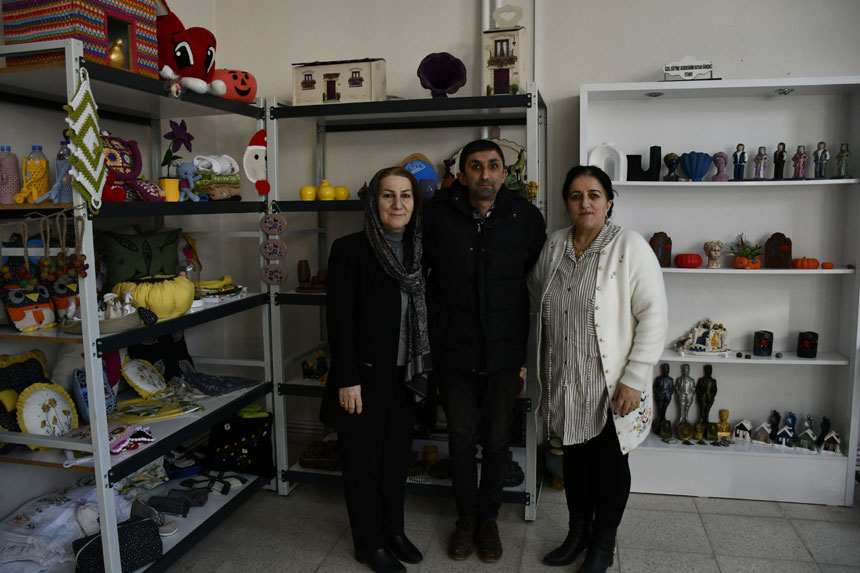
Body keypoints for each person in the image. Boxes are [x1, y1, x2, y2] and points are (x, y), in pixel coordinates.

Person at [528, 165, 667, 572]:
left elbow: (654, 315)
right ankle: (578, 534)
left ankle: (603, 546)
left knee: (609, 465)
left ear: (609, 202)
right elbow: (536, 292)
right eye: (575, 196)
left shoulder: (629, 246)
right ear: (567, 203)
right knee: (574, 463)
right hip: (565, 379)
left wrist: (635, 378)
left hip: (612, 385)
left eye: (593, 195)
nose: (584, 203)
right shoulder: (555, 244)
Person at [422, 139, 546, 563]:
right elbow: (422, 275)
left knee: (496, 441)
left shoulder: (526, 218)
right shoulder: (436, 216)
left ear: (504, 173)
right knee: (460, 438)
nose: (485, 174)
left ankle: (488, 519)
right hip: (453, 350)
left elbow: (533, 276)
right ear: (462, 175)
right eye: (476, 166)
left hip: (504, 352)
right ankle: (466, 518)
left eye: (493, 166)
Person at [320, 166, 431, 573]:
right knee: (363, 467)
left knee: (396, 463)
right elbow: (339, 321)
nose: (397, 204)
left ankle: (393, 531)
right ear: (374, 202)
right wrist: (347, 378)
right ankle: (369, 543)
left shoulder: (420, 252)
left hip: (406, 376)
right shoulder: (350, 250)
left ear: (415, 203)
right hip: (364, 378)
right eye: (388, 195)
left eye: (406, 195)